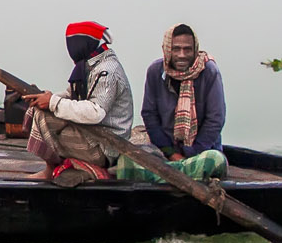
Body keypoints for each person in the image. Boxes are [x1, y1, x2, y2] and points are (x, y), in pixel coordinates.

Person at [21, 21, 134, 183]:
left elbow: (95, 112)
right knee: (38, 108)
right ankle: (52, 168)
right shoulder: (90, 65)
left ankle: (52, 169)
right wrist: (44, 97)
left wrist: (52, 102)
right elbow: (71, 95)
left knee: (43, 116)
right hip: (93, 135)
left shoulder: (107, 71)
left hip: (105, 147)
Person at [134, 24, 228, 180]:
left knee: (213, 160)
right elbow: (149, 114)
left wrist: (191, 154)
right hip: (165, 151)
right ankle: (179, 172)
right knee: (127, 159)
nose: (182, 55)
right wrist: (171, 153)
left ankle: (171, 173)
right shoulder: (155, 71)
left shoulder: (210, 71)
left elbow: (215, 119)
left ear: (195, 49)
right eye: (176, 49)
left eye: (187, 49)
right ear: (167, 49)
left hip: (201, 151)